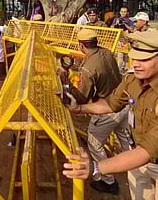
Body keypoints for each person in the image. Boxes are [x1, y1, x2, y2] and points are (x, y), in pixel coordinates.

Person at [63, 31, 158, 200]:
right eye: (135, 58)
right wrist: (80, 108)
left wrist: (96, 167)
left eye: (145, 60)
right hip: (137, 162)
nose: (137, 64)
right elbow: (111, 104)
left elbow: (147, 151)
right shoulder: (133, 80)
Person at [60, 29, 126, 194]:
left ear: (81, 45)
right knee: (126, 140)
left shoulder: (88, 70)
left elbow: (82, 97)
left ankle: (108, 181)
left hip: (105, 109)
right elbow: (96, 65)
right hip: (123, 104)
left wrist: (64, 79)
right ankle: (139, 169)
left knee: (95, 144)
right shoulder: (107, 52)